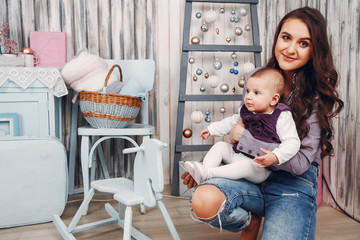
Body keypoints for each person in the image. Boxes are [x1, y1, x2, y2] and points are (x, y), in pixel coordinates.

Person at [181, 7, 343, 240]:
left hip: (292, 183)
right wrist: (209, 168)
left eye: (303, 43)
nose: (290, 49)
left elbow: (298, 164)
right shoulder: (259, 76)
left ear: (315, 50)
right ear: (277, 37)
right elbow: (244, 124)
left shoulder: (318, 95)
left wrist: (243, 136)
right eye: (286, 37)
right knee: (203, 199)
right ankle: (250, 219)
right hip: (251, 171)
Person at [184, 67, 300, 185]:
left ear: (274, 99)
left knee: (246, 165)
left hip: (258, 166)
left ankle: (209, 173)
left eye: (256, 93)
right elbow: (230, 122)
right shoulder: (246, 111)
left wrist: (276, 156)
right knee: (220, 146)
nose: (248, 96)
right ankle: (203, 172)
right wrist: (211, 129)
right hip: (236, 154)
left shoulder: (281, 116)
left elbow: (292, 142)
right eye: (248, 91)